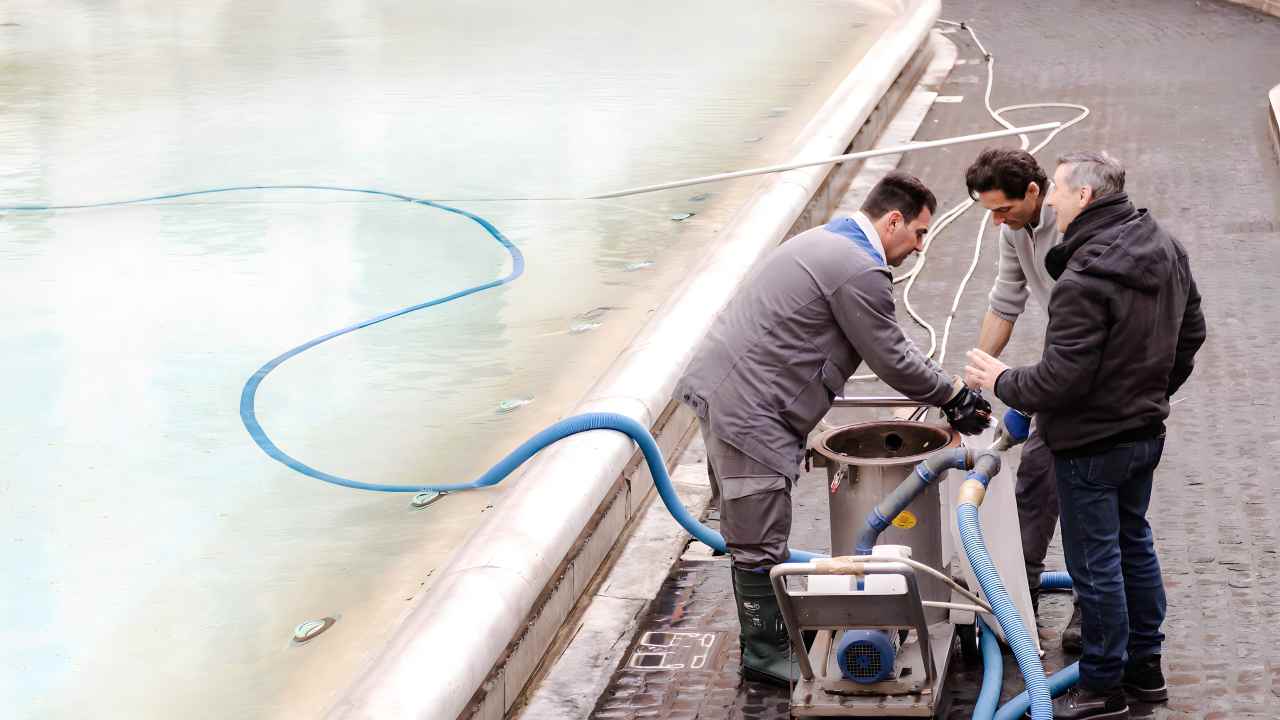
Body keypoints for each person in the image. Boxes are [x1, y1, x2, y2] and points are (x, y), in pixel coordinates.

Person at [675, 171, 992, 686]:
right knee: (757, 532)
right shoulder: (858, 268)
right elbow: (892, 357)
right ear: (893, 221)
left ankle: (777, 630)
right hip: (751, 406)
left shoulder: (828, 240)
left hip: (737, 392)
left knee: (754, 527)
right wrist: (954, 395)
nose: (919, 247)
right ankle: (763, 651)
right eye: (919, 233)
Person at [965, 151, 1205, 719]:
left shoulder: (1080, 276)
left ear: (1084, 198)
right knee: (1134, 548)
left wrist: (1002, 380)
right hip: (1143, 430)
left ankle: (1102, 687)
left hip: (1090, 442)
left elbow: (1059, 381)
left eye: (1056, 195)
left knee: (1095, 566)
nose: (1051, 202)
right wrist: (1151, 394)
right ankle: (1146, 674)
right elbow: (1190, 333)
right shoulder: (1165, 246)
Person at [964, 147, 1082, 649]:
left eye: (1002, 209)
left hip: (1094, 368)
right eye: (988, 211)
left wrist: (1028, 391)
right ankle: (1020, 590)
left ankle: (1095, 611)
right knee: (1035, 481)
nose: (995, 222)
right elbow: (1005, 303)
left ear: (1033, 192)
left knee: (1089, 494)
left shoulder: (1074, 226)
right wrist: (970, 382)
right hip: (1063, 359)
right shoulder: (1014, 232)